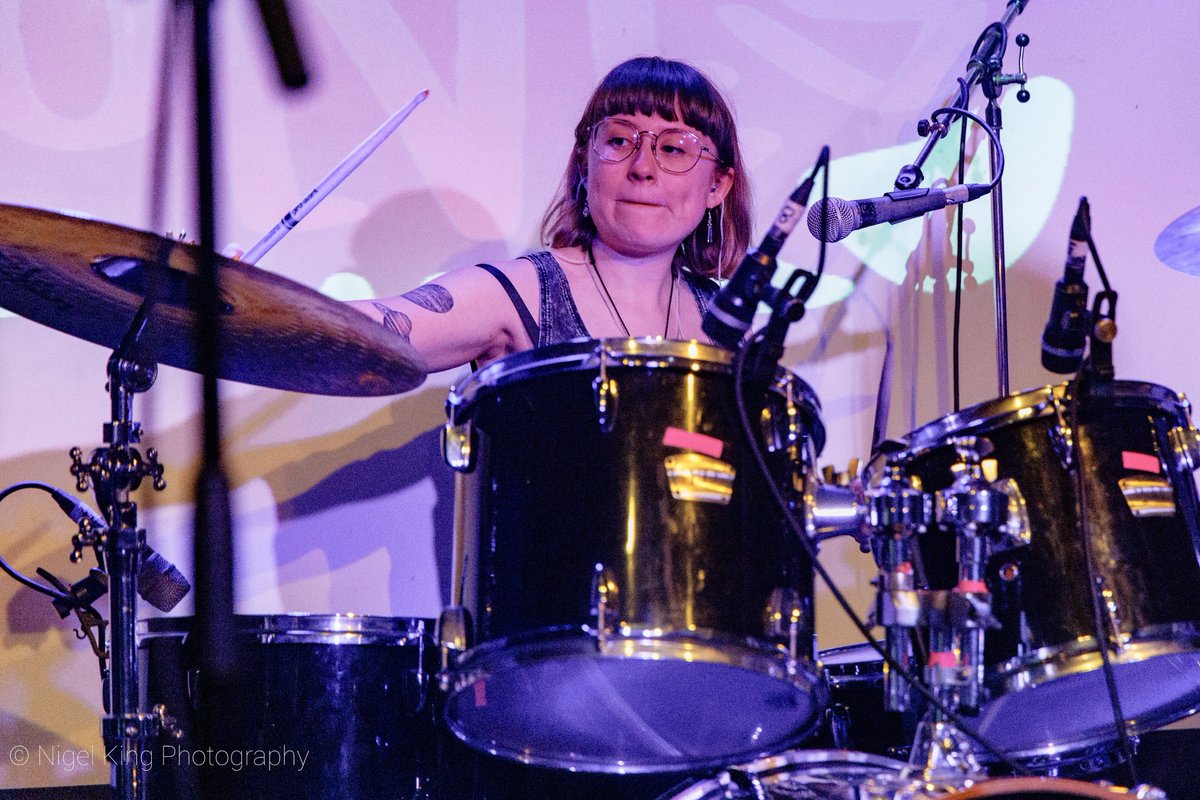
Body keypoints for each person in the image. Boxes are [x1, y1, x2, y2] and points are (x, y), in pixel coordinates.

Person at [351, 56, 751, 372]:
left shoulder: (731, 328)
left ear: (717, 186)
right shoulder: (517, 292)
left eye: (673, 148)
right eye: (618, 140)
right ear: (584, 165)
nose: (642, 167)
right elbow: (360, 328)